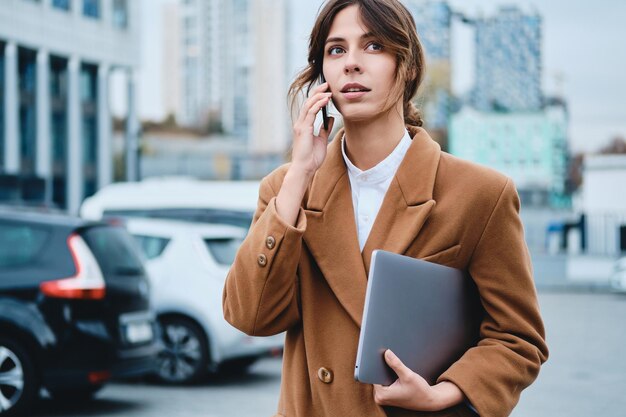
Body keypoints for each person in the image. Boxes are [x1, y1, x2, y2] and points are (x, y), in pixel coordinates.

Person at [223, 1, 548, 416]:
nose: (351, 64)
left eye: (373, 46)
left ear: (407, 66)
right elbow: (250, 316)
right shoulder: (286, 188)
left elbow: (518, 339)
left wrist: (444, 393)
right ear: (322, 73)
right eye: (336, 50)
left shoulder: (480, 194)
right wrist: (301, 173)